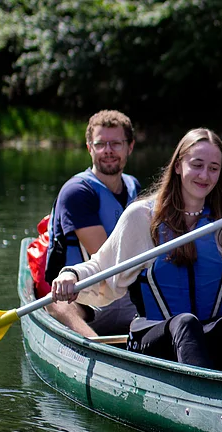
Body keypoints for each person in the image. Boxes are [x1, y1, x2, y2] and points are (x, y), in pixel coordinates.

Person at [50, 128, 222, 372]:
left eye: (213, 168)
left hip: (209, 333)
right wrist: (71, 275)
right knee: (185, 324)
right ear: (178, 166)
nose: (205, 175)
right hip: (154, 337)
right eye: (197, 165)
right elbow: (103, 268)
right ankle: (204, 396)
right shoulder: (142, 216)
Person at [44, 109, 141, 339]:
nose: (108, 151)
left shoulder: (133, 186)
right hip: (85, 297)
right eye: (100, 144)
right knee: (57, 305)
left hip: (127, 294)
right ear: (89, 148)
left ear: (130, 147)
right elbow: (105, 258)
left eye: (116, 143)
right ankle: (95, 346)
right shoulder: (77, 192)